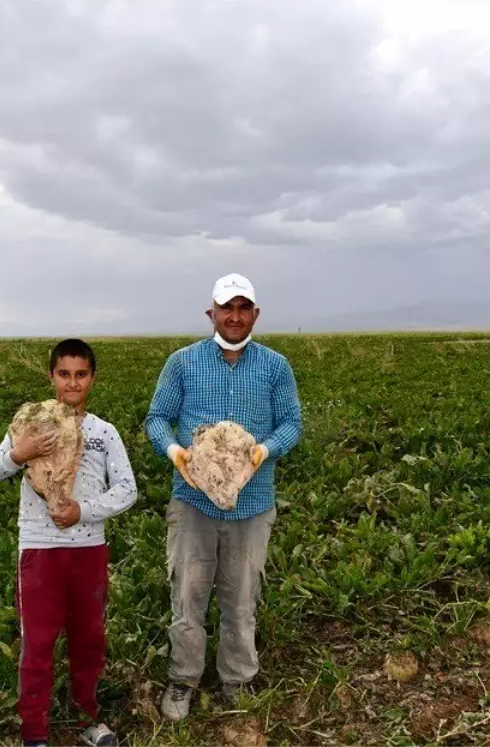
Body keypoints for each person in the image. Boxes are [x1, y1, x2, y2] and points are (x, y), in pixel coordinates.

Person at [143, 273, 302, 721]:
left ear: (255, 314)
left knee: (241, 596)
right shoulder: (182, 362)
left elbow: (292, 424)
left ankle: (236, 679)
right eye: (226, 308)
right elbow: (157, 418)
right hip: (192, 502)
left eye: (243, 308)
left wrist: (262, 451)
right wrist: (176, 452)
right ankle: (184, 678)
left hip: (253, 504)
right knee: (188, 594)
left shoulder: (275, 366)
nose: (234, 316)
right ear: (210, 312)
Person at [0, 338, 136, 747]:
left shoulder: (104, 432)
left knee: (89, 636)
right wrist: (20, 453)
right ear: (51, 377)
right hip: (40, 550)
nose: (72, 384)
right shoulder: (30, 423)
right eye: (64, 374)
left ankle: (89, 717)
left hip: (88, 549)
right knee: (39, 640)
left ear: (92, 379)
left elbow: (127, 490)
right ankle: (34, 732)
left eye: (81, 375)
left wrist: (81, 511)